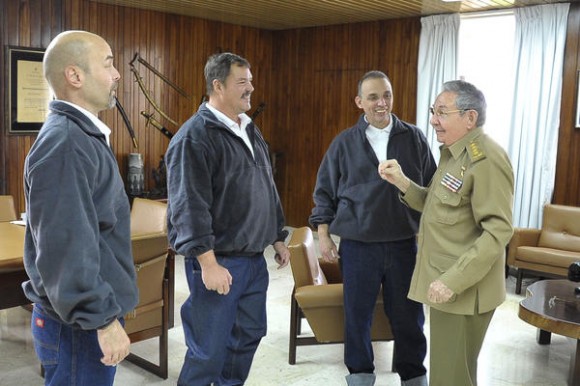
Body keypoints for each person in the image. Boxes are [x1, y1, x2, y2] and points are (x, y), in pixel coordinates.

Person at [165, 52, 291, 385]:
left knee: (248, 335)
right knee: (208, 350)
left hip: (253, 262)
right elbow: (188, 207)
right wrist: (207, 264)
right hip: (219, 261)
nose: (251, 88)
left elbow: (265, 185)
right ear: (217, 86)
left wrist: (276, 235)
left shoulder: (250, 129)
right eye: (242, 82)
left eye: (250, 80)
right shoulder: (194, 138)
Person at [378, 80, 514, 386]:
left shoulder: (486, 159)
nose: (433, 119)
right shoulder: (454, 155)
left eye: (442, 112)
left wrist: (452, 281)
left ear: (470, 118)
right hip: (448, 285)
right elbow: (439, 207)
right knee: (454, 375)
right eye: (433, 111)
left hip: (463, 289)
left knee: (449, 379)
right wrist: (403, 182)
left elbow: (498, 230)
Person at [22, 30, 138, 386]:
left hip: (81, 321)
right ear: (74, 76)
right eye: (108, 63)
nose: (117, 74)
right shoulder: (67, 144)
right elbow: (66, 249)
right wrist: (101, 319)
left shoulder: (80, 137)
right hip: (79, 327)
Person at [309, 70, 437, 386]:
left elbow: (432, 189)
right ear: (359, 102)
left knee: (409, 316)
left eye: (387, 95)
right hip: (358, 245)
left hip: (403, 243)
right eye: (373, 97)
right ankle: (361, 375)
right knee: (357, 316)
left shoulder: (415, 137)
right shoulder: (343, 142)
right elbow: (324, 191)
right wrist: (323, 235)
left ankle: (413, 375)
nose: (382, 103)